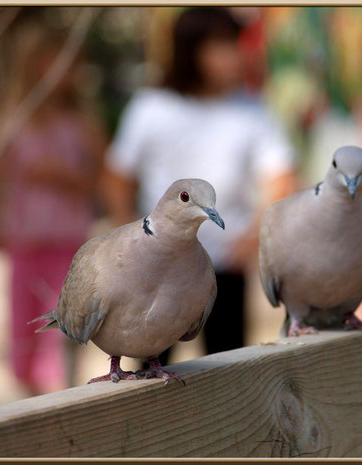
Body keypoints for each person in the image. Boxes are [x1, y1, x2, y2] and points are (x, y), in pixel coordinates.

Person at [104, 7, 295, 362]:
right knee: (147, 370)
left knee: (227, 370)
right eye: (224, 46)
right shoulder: (151, 108)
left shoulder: (253, 109)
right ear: (191, 50)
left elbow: (282, 177)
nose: (237, 55)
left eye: (236, 45)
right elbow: (117, 175)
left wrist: (254, 236)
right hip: (155, 264)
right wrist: (129, 237)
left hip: (225, 264)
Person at [0, 25, 107, 395]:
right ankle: (30, 396)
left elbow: (102, 177)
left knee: (60, 327)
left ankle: (59, 399)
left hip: (68, 239)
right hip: (24, 238)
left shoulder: (83, 122)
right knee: (22, 328)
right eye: (54, 62)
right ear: (33, 66)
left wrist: (66, 177)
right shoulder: (12, 121)